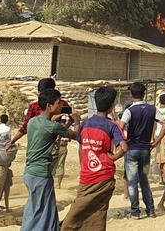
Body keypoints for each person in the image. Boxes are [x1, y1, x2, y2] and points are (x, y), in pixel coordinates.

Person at [61, 87, 127, 230]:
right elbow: (124, 147)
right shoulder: (112, 126)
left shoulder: (86, 123)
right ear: (112, 105)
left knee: (78, 209)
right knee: (99, 211)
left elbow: (81, 146)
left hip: (87, 174)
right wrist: (112, 158)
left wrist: (83, 165)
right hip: (104, 175)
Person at [20, 88, 81, 231]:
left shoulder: (33, 122)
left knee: (42, 208)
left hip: (30, 172)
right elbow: (75, 134)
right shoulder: (52, 126)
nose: (60, 107)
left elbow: (50, 132)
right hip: (41, 174)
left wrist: (66, 123)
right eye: (58, 104)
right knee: (38, 212)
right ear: (49, 106)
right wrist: (77, 121)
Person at [121, 82, 165, 220]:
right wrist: (157, 141)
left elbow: (121, 126)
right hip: (146, 150)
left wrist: (123, 141)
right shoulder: (152, 109)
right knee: (144, 180)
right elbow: (164, 124)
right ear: (144, 93)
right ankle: (150, 210)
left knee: (132, 182)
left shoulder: (129, 111)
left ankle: (135, 212)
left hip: (132, 149)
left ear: (131, 94)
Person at [52, 115, 70, 189]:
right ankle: (58, 184)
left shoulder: (55, 127)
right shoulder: (67, 128)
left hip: (55, 147)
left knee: (52, 165)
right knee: (61, 165)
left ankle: (51, 183)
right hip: (63, 147)